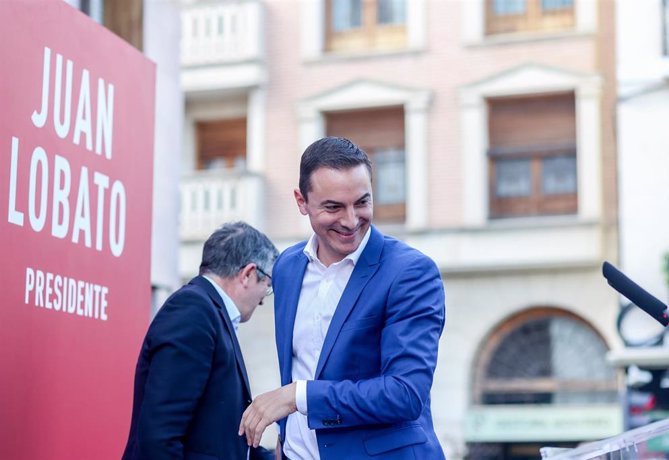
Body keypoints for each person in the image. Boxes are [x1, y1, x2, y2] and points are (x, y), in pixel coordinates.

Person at [239, 137, 446, 459]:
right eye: (333, 207)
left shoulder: (410, 272)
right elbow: (300, 363)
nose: (351, 221)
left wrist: (297, 396)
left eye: (362, 203)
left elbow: (405, 394)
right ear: (301, 201)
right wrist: (287, 436)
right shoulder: (287, 268)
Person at [122, 221, 278, 460]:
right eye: (267, 286)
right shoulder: (193, 311)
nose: (263, 300)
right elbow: (160, 436)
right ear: (248, 274)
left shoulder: (209, 314)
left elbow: (220, 436)